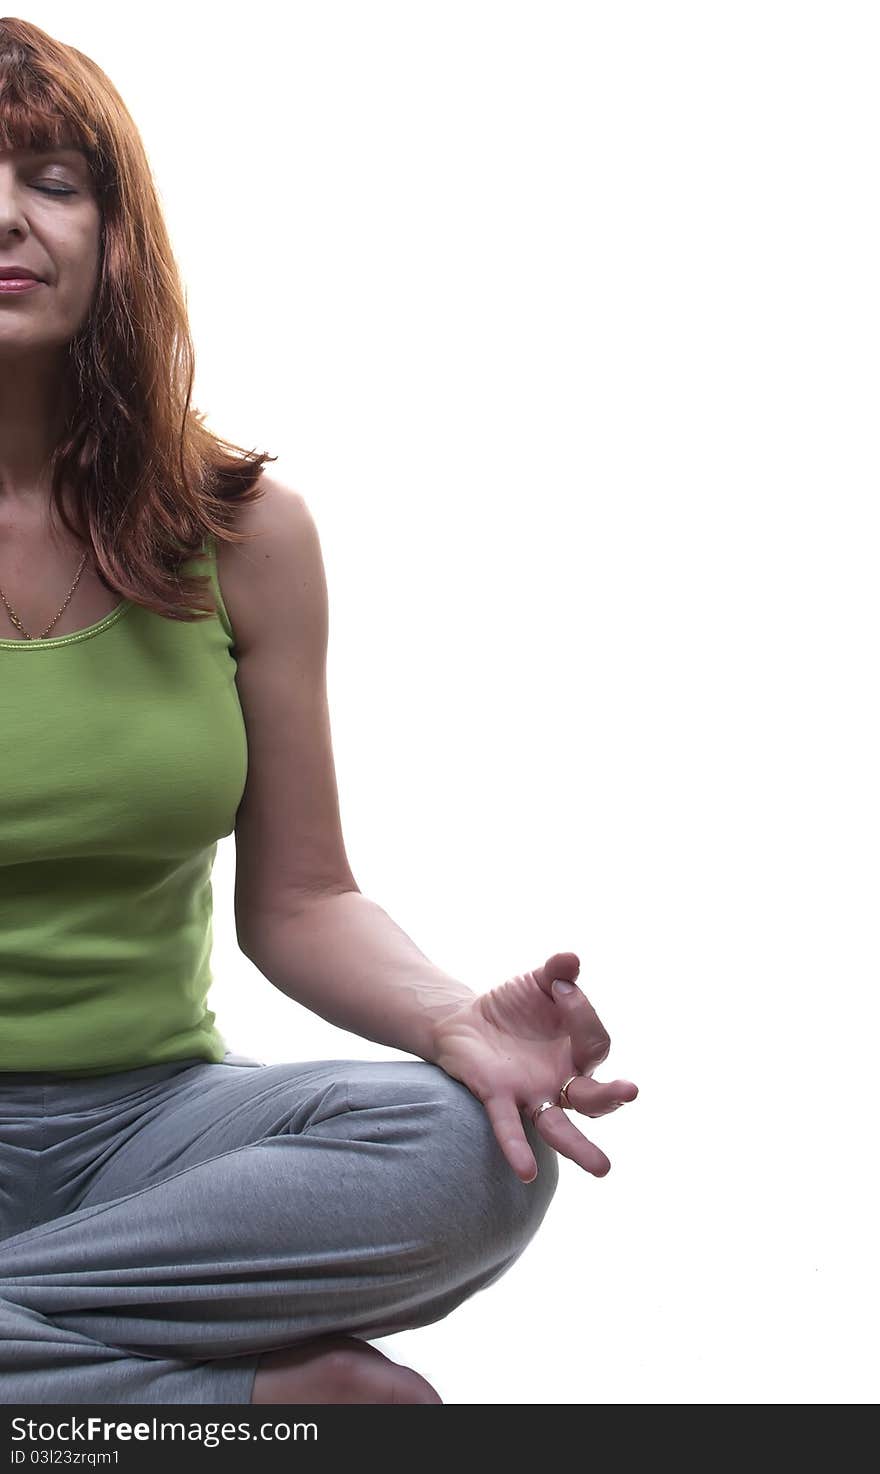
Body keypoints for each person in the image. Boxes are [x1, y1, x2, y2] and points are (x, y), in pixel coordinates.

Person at [0, 18, 638, 1405]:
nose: (8, 212)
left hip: (154, 1137)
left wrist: (452, 1017)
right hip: (152, 1257)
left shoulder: (242, 535)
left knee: (469, 1147)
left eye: (52, 176)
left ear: (115, 232)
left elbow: (300, 896)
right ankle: (229, 1415)